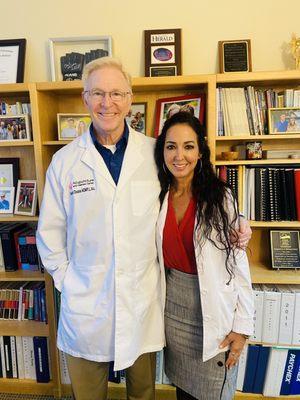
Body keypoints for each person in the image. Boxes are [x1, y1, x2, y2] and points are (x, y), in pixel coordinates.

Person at [36, 57, 252, 400]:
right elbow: (49, 235)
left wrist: (236, 220)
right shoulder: (65, 162)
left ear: (129, 98)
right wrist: (69, 282)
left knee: (143, 394)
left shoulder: (154, 151)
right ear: (85, 99)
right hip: (87, 304)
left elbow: (191, 190)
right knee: (88, 395)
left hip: (143, 302)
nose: (108, 103)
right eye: (98, 93)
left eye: (117, 93)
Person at [154, 111, 254, 400]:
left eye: (188, 146)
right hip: (173, 310)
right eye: (171, 146)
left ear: (200, 152)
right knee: (183, 392)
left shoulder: (220, 197)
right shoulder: (157, 194)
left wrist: (243, 327)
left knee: (214, 392)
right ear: (162, 151)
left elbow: (238, 264)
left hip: (214, 313)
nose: (179, 155)